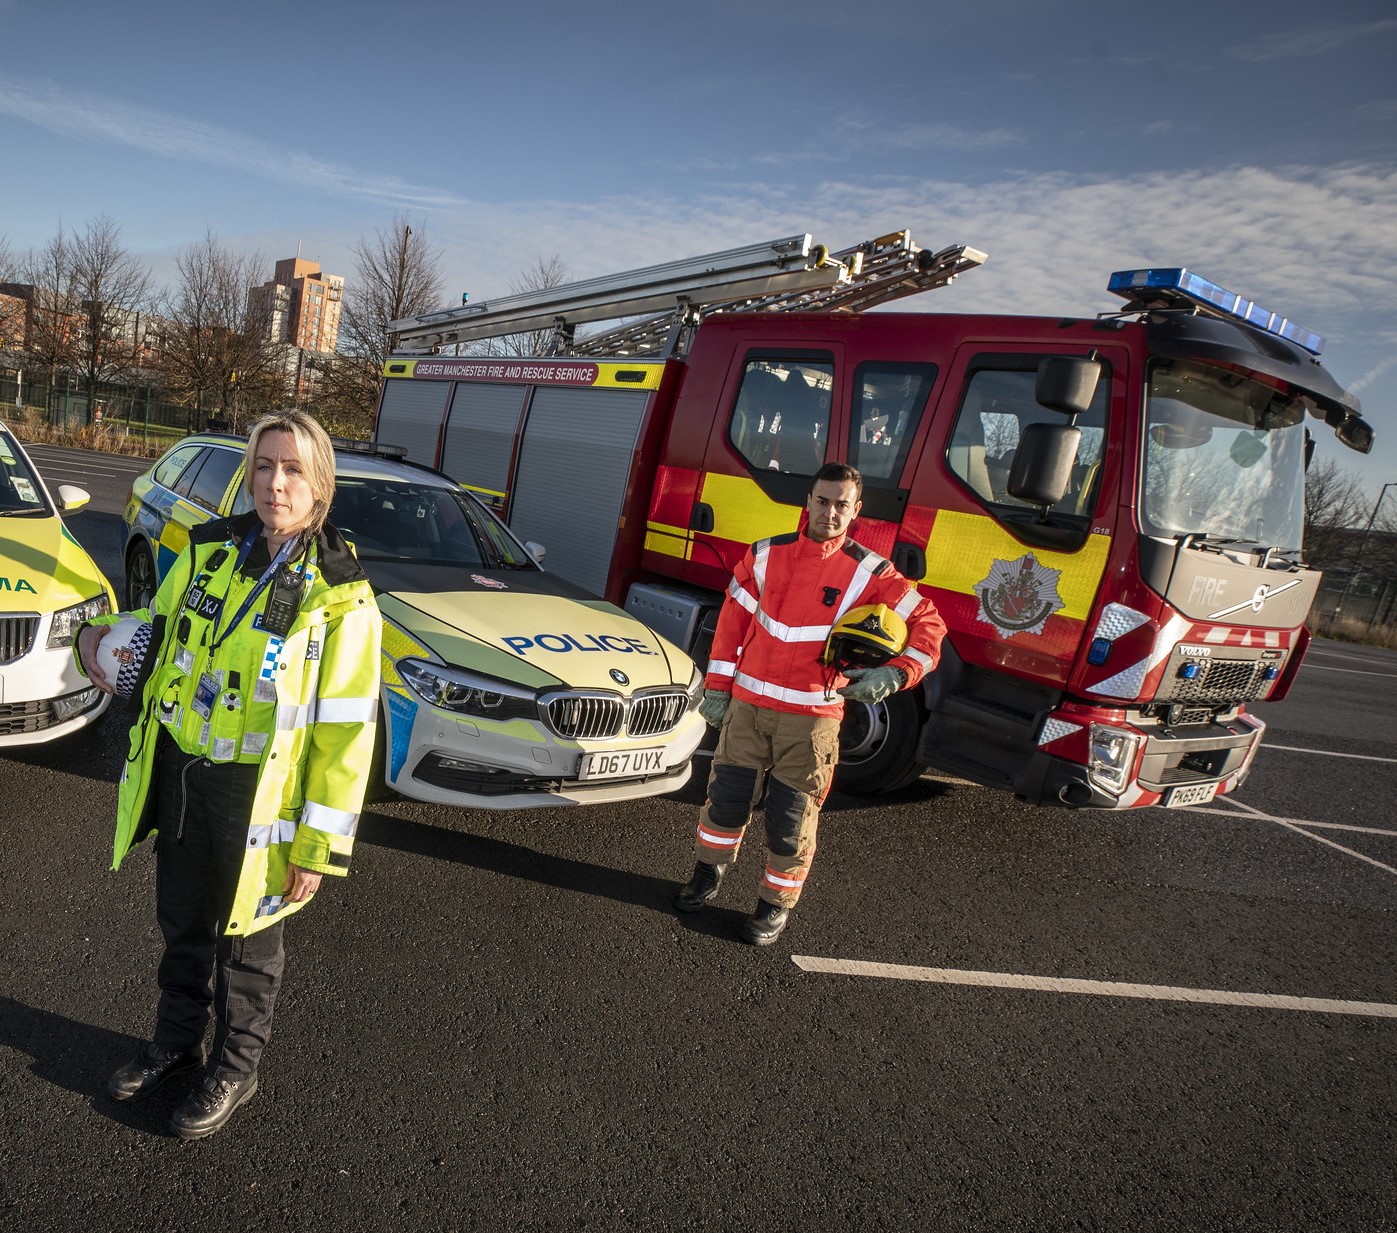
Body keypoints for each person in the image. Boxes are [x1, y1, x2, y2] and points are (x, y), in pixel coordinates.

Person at [76, 409, 381, 1140]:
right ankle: (177, 1043)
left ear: (320, 485)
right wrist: (102, 648)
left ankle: (236, 1068)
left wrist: (316, 845)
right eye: (266, 465)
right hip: (183, 770)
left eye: (293, 469)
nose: (276, 483)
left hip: (259, 795)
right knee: (182, 922)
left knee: (246, 942)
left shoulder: (340, 595)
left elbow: (346, 737)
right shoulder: (207, 550)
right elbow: (158, 635)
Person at [674, 462, 946, 945]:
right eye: (823, 501)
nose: (831, 512)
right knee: (725, 801)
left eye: (843, 504)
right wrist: (717, 689)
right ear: (808, 502)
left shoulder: (870, 572)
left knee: (791, 820)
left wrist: (897, 673)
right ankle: (707, 875)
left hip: (812, 720)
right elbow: (731, 625)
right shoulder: (763, 556)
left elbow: (930, 625)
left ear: (856, 511)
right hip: (748, 710)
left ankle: (773, 906)